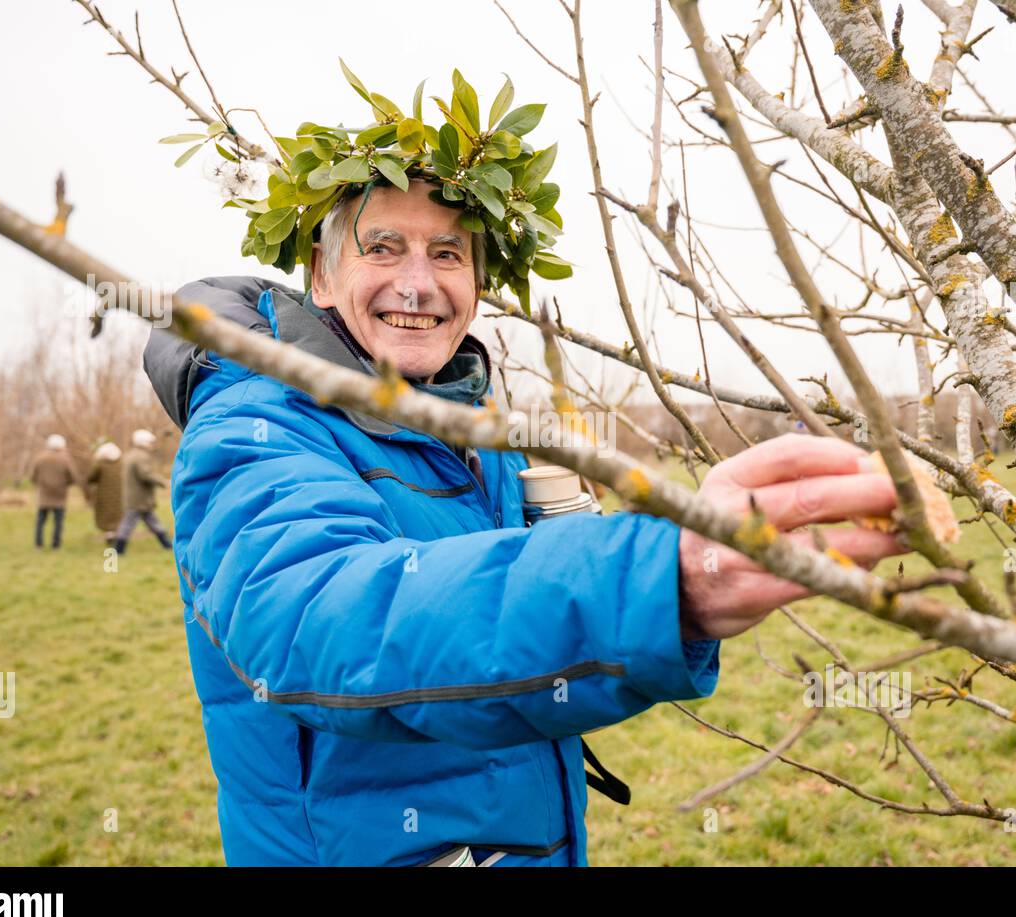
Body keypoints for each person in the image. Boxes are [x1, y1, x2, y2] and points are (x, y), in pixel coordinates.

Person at [143, 71, 908, 866]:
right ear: (323, 276)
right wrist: (656, 580)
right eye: (383, 248)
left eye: (447, 253)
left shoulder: (465, 421)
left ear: (477, 285)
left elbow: (506, 596)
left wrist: (664, 552)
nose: (418, 282)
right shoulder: (254, 422)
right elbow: (325, 617)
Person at [112, 429, 172, 553]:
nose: (152, 445)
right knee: (128, 524)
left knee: (152, 521)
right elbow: (146, 474)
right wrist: (164, 482)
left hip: (136, 496)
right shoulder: (141, 456)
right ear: (143, 442)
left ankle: (167, 545)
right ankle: (118, 549)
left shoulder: (131, 454)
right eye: (150, 442)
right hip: (139, 497)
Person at [31, 433, 78, 549]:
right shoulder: (65, 459)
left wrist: (41, 484)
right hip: (60, 495)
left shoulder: (40, 458)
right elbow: (72, 477)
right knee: (58, 522)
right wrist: (66, 484)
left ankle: (38, 544)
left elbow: (33, 477)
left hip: (44, 495)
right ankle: (56, 545)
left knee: (40, 521)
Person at [85, 440, 125, 545]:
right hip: (120, 493)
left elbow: (91, 477)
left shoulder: (100, 464)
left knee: (106, 515)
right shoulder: (121, 463)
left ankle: (110, 536)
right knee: (118, 514)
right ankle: (117, 535)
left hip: (103, 494)